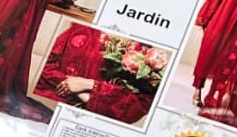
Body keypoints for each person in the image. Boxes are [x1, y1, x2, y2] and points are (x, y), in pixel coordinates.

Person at [33, 24, 167, 124]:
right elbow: (46, 68)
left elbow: (137, 107)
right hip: (54, 109)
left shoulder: (146, 53)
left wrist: (89, 87)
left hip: (99, 123)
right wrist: (74, 88)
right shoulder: (80, 29)